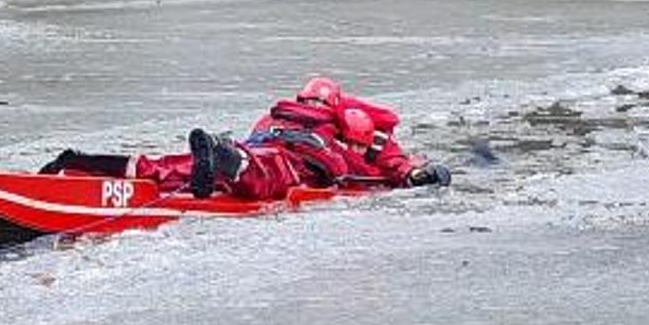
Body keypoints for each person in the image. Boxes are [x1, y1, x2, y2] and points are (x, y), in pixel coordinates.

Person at [38, 76, 451, 200]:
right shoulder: (363, 137)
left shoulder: (280, 115)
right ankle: (226, 160)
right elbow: (399, 165)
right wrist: (419, 174)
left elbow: (401, 165)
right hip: (280, 160)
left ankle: (82, 162)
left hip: (261, 145)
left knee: (169, 169)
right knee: (266, 173)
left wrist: (416, 172)